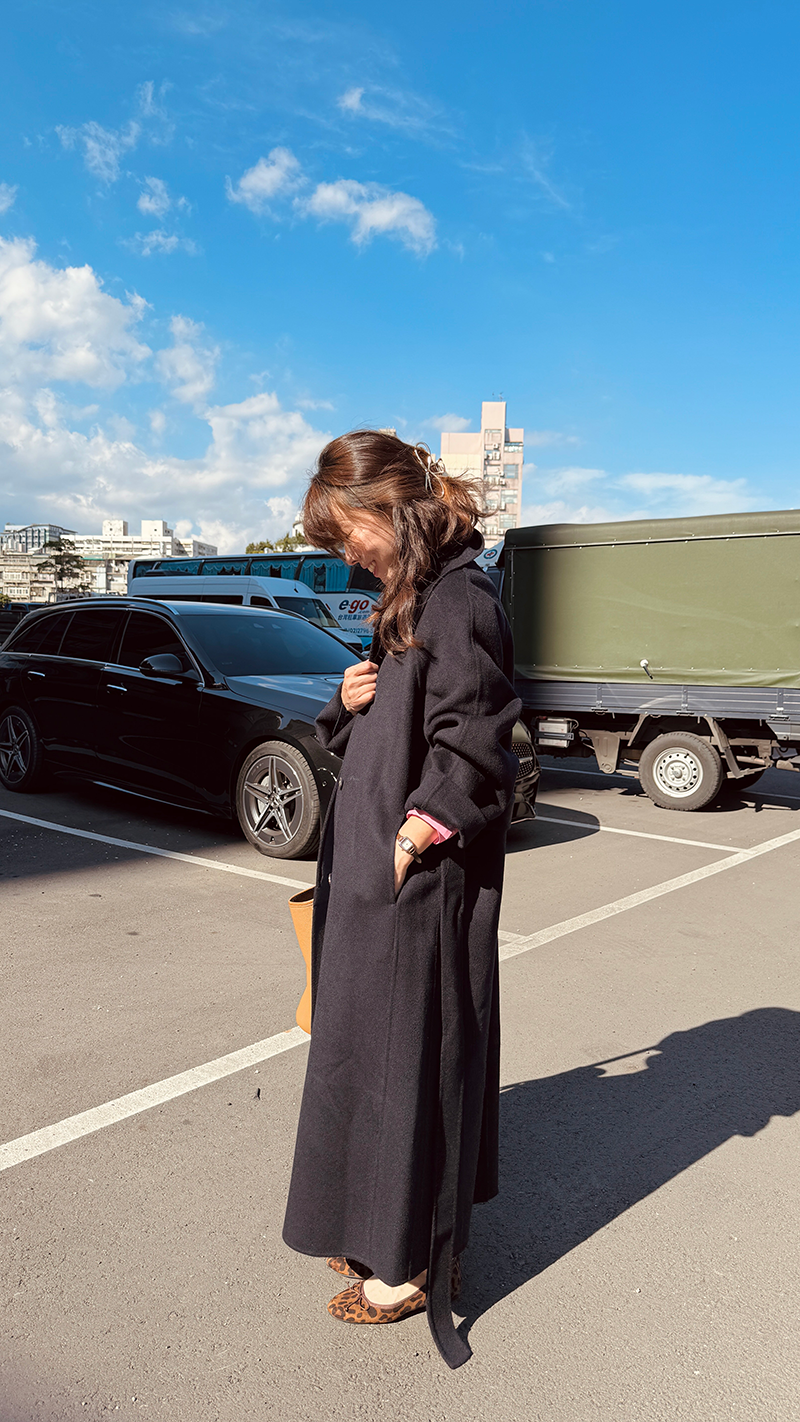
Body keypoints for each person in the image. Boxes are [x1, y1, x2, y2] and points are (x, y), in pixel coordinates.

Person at [282, 429, 521, 1368]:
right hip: (375, 884)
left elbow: (478, 741)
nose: (346, 556)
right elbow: (405, 721)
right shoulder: (412, 599)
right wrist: (351, 701)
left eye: (348, 533)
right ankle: (377, 1228)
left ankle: (408, 1265)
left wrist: (410, 840)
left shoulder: (462, 599)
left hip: (415, 887)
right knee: (368, 1064)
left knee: (408, 1065)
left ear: (390, 508)